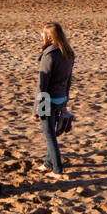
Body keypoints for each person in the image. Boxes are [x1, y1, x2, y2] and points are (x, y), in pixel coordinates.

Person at [36, 22, 75, 179]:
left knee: (49, 134)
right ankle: (48, 163)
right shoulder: (68, 53)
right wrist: (65, 101)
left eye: (43, 34)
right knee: (50, 131)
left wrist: (36, 110)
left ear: (49, 36)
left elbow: (42, 85)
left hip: (47, 99)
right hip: (60, 98)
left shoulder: (49, 55)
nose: (41, 36)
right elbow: (68, 80)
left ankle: (57, 170)